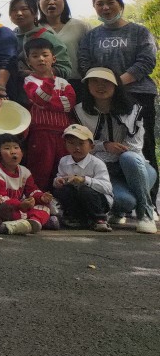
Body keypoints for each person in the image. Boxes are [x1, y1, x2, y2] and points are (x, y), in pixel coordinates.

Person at [77, 0, 158, 192]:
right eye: (99, 4)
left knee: (143, 147)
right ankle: (118, 197)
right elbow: (84, 63)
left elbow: (146, 61)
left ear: (120, 5)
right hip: (103, 98)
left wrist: (116, 83)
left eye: (110, 2)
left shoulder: (139, 32)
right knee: (109, 147)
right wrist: (103, 85)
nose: (105, 7)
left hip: (138, 94)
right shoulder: (91, 36)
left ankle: (148, 199)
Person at [73, 67, 157, 233]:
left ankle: (146, 212)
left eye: (106, 82)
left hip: (138, 169)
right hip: (107, 171)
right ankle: (119, 211)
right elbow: (81, 146)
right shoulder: (80, 111)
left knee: (129, 157)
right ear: (87, 85)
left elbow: (135, 147)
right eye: (94, 81)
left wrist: (111, 148)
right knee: (125, 201)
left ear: (116, 85)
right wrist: (104, 145)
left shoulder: (133, 109)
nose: (100, 86)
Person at [22, 37, 77, 191]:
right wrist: (49, 86)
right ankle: (39, 198)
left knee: (64, 170)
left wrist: (46, 102)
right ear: (28, 61)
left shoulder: (64, 82)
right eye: (35, 55)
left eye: (45, 55)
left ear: (54, 58)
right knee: (40, 170)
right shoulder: (29, 80)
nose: (41, 59)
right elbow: (39, 99)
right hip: (40, 133)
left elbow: (69, 105)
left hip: (63, 134)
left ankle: (62, 200)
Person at [54, 123, 113, 232]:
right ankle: (74, 217)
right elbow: (59, 176)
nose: (76, 148)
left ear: (91, 147)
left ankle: (99, 219)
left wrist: (85, 180)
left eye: (81, 144)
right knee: (63, 190)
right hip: (77, 199)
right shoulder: (64, 161)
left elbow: (107, 188)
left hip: (98, 201)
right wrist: (58, 181)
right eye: (71, 143)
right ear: (65, 145)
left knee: (85, 190)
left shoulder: (97, 163)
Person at [0, 134, 50, 234]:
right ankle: (36, 222)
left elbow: (32, 190)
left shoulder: (24, 171)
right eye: (7, 148)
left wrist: (41, 197)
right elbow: (0, 198)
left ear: (22, 152)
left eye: (16, 147)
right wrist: (20, 205)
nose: (13, 152)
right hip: (7, 207)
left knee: (45, 207)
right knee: (4, 210)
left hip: (21, 207)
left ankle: (33, 222)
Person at [8, 0, 71, 79]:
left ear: (35, 13)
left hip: (44, 86)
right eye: (13, 10)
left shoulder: (48, 37)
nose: (19, 13)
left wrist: (36, 74)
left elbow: (65, 68)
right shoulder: (8, 37)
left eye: (24, 9)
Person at [37, 0, 90, 72]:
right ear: (39, 3)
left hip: (77, 78)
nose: (51, 2)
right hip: (44, 79)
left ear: (64, 1)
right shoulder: (34, 28)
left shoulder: (81, 26)